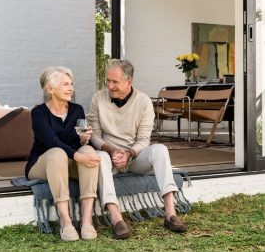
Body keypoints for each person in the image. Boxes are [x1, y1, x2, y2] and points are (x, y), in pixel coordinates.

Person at [87, 59, 188, 239]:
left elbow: (143, 140)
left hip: (135, 157)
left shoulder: (143, 102)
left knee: (160, 150)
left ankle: (171, 213)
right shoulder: (98, 98)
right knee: (100, 157)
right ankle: (116, 217)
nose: (110, 86)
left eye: (115, 82)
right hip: (109, 156)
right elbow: (94, 135)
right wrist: (111, 151)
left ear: (129, 81)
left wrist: (129, 153)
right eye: (108, 81)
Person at [26, 66, 102, 241]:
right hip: (42, 165)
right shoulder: (38, 113)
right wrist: (76, 155)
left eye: (71, 84)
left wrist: (83, 141)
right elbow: (51, 141)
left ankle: (86, 220)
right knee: (57, 152)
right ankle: (65, 221)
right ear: (50, 89)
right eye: (65, 84)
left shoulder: (77, 110)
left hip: (68, 163)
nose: (71, 88)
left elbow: (78, 144)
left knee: (89, 151)